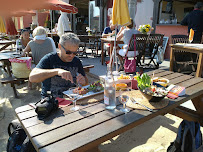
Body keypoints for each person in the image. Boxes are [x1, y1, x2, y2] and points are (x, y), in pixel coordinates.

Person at [29, 32, 88, 98]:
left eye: (75, 53)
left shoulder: (76, 61)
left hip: (71, 98)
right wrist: (57, 71)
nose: (71, 55)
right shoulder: (50, 58)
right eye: (68, 52)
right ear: (59, 46)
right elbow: (32, 78)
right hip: (51, 100)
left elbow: (85, 82)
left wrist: (83, 82)